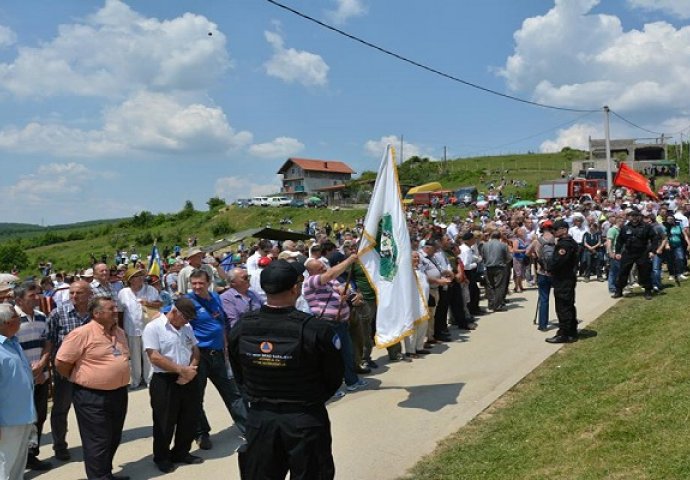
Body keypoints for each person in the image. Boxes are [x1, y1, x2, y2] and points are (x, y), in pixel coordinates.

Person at [227, 259, 344, 480]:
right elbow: (333, 377)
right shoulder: (316, 330)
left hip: (261, 418)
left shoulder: (242, 327)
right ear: (295, 288)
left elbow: (239, 374)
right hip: (304, 419)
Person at [55, 296, 130, 480]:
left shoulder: (119, 332)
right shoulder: (81, 333)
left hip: (118, 393)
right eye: (111, 309)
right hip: (91, 396)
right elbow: (62, 362)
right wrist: (84, 377)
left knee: (113, 436)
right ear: (97, 314)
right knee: (97, 441)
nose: (115, 311)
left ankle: (105, 474)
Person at [186, 269, 247, 450]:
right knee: (196, 397)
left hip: (219, 354)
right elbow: (172, 318)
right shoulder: (187, 301)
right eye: (194, 283)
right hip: (199, 356)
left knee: (233, 393)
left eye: (201, 283)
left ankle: (248, 428)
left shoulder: (215, 297)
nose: (197, 286)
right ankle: (201, 433)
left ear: (209, 282)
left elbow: (222, 323)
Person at [143, 298, 203, 474]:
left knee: (189, 418)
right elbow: (154, 356)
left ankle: (181, 452)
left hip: (188, 377)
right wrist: (181, 371)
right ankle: (162, 457)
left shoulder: (187, 328)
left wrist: (190, 370)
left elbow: (195, 350)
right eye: (185, 317)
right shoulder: (153, 328)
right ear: (174, 312)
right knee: (164, 421)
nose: (187, 321)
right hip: (165, 380)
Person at [303, 254, 367, 391]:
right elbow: (330, 275)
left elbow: (344, 289)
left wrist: (347, 293)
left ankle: (352, 381)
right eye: (320, 268)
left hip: (341, 323)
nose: (324, 268)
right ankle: (332, 388)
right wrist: (349, 260)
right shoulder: (310, 281)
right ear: (311, 272)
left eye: (323, 266)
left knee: (346, 353)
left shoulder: (331, 281)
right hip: (327, 324)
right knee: (330, 358)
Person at [46, 279, 92, 461]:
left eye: (78, 293)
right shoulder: (58, 314)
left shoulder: (94, 314)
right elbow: (49, 340)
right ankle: (59, 445)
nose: (74, 296)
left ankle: (91, 444)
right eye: (71, 293)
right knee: (60, 409)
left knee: (89, 410)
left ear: (89, 294)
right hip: (65, 372)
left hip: (89, 371)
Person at [14, 283, 53, 471]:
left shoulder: (41, 316)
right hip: (19, 380)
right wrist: (29, 372)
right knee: (21, 420)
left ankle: (32, 455)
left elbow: (47, 343)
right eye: (32, 295)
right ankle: (18, 459)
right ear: (19, 299)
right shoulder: (9, 319)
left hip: (41, 376)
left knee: (40, 416)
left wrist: (43, 363)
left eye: (37, 294)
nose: (37, 297)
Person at [0, 304, 37, 480]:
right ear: (7, 322)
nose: (20, 319)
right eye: (17, 316)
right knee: (4, 466)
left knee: (18, 466)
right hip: (7, 421)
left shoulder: (13, 342)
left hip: (24, 415)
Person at [117, 267, 162, 389]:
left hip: (149, 327)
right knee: (134, 355)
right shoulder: (123, 293)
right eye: (137, 276)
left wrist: (148, 303)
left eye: (141, 275)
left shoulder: (150, 289)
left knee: (148, 354)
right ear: (130, 280)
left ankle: (149, 379)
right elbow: (120, 312)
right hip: (131, 329)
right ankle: (136, 380)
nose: (141, 278)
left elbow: (160, 304)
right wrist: (121, 330)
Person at [545, 220, 580, 344]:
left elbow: (558, 262)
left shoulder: (564, 245)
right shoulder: (568, 243)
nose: (553, 232)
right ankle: (571, 331)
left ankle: (564, 333)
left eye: (555, 229)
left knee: (563, 307)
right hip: (566, 278)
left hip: (563, 279)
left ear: (564, 230)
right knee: (568, 305)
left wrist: (549, 267)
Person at [612, 209, 659, 300]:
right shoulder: (625, 228)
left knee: (645, 272)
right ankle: (619, 290)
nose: (634, 218)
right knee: (623, 272)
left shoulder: (646, 227)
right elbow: (619, 241)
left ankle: (648, 291)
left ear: (639, 217)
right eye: (631, 216)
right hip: (628, 252)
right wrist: (617, 252)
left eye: (636, 216)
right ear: (629, 217)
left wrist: (652, 251)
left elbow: (654, 239)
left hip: (642, 252)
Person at [527, 221, 555, 331]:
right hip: (554, 272)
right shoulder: (556, 240)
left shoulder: (536, 241)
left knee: (544, 298)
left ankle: (543, 325)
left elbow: (527, 253)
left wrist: (534, 254)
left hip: (542, 272)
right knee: (558, 297)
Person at [220, 267, 263, 333]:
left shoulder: (254, 294)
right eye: (245, 278)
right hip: (242, 336)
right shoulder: (226, 298)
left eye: (249, 277)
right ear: (233, 282)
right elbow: (234, 324)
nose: (248, 279)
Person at [482, 230, 511, 312]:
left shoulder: (485, 245)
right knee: (499, 286)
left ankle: (491, 304)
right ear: (499, 237)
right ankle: (497, 305)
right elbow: (508, 257)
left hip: (488, 267)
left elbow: (483, 256)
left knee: (490, 286)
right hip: (499, 267)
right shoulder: (503, 245)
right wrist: (504, 262)